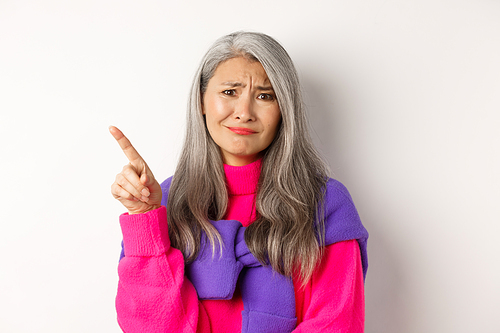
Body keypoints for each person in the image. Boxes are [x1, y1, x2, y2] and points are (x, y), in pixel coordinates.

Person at [110, 31, 368, 332]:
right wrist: (142, 219)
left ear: (284, 111)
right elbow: (149, 326)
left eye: (264, 96)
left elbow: (337, 323)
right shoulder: (163, 202)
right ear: (202, 101)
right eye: (230, 92)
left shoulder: (325, 203)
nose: (244, 113)